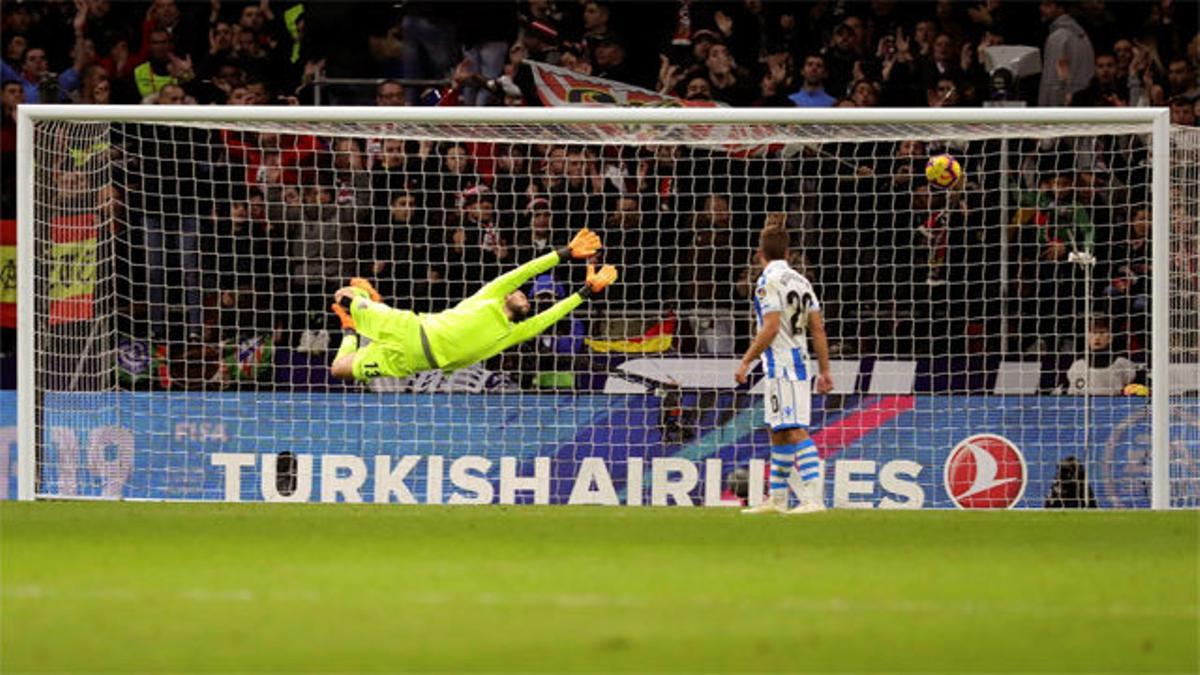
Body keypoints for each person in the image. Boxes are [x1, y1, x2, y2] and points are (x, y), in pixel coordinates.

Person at [329, 228, 616, 382]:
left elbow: (550, 316)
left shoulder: (510, 333)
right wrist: (564, 253)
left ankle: (351, 328)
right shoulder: (490, 296)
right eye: (522, 294)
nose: (525, 297)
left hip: (410, 362)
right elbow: (524, 271)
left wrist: (585, 292)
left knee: (339, 369)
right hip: (412, 330)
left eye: (526, 298)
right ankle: (370, 300)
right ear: (507, 295)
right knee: (346, 294)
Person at [736, 225, 833, 514]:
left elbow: (771, 326)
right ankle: (778, 499)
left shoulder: (768, 281)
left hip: (784, 365)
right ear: (788, 253)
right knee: (778, 431)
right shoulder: (801, 281)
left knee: (794, 431)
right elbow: (818, 329)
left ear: (759, 254)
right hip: (798, 362)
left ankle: (814, 499)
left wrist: (746, 360)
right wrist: (824, 370)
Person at [1060, 316, 1138, 395]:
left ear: (1110, 338)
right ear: (1087, 337)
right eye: (1093, 333)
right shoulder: (1078, 366)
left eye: (1102, 332)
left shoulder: (1122, 364)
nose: (1097, 337)